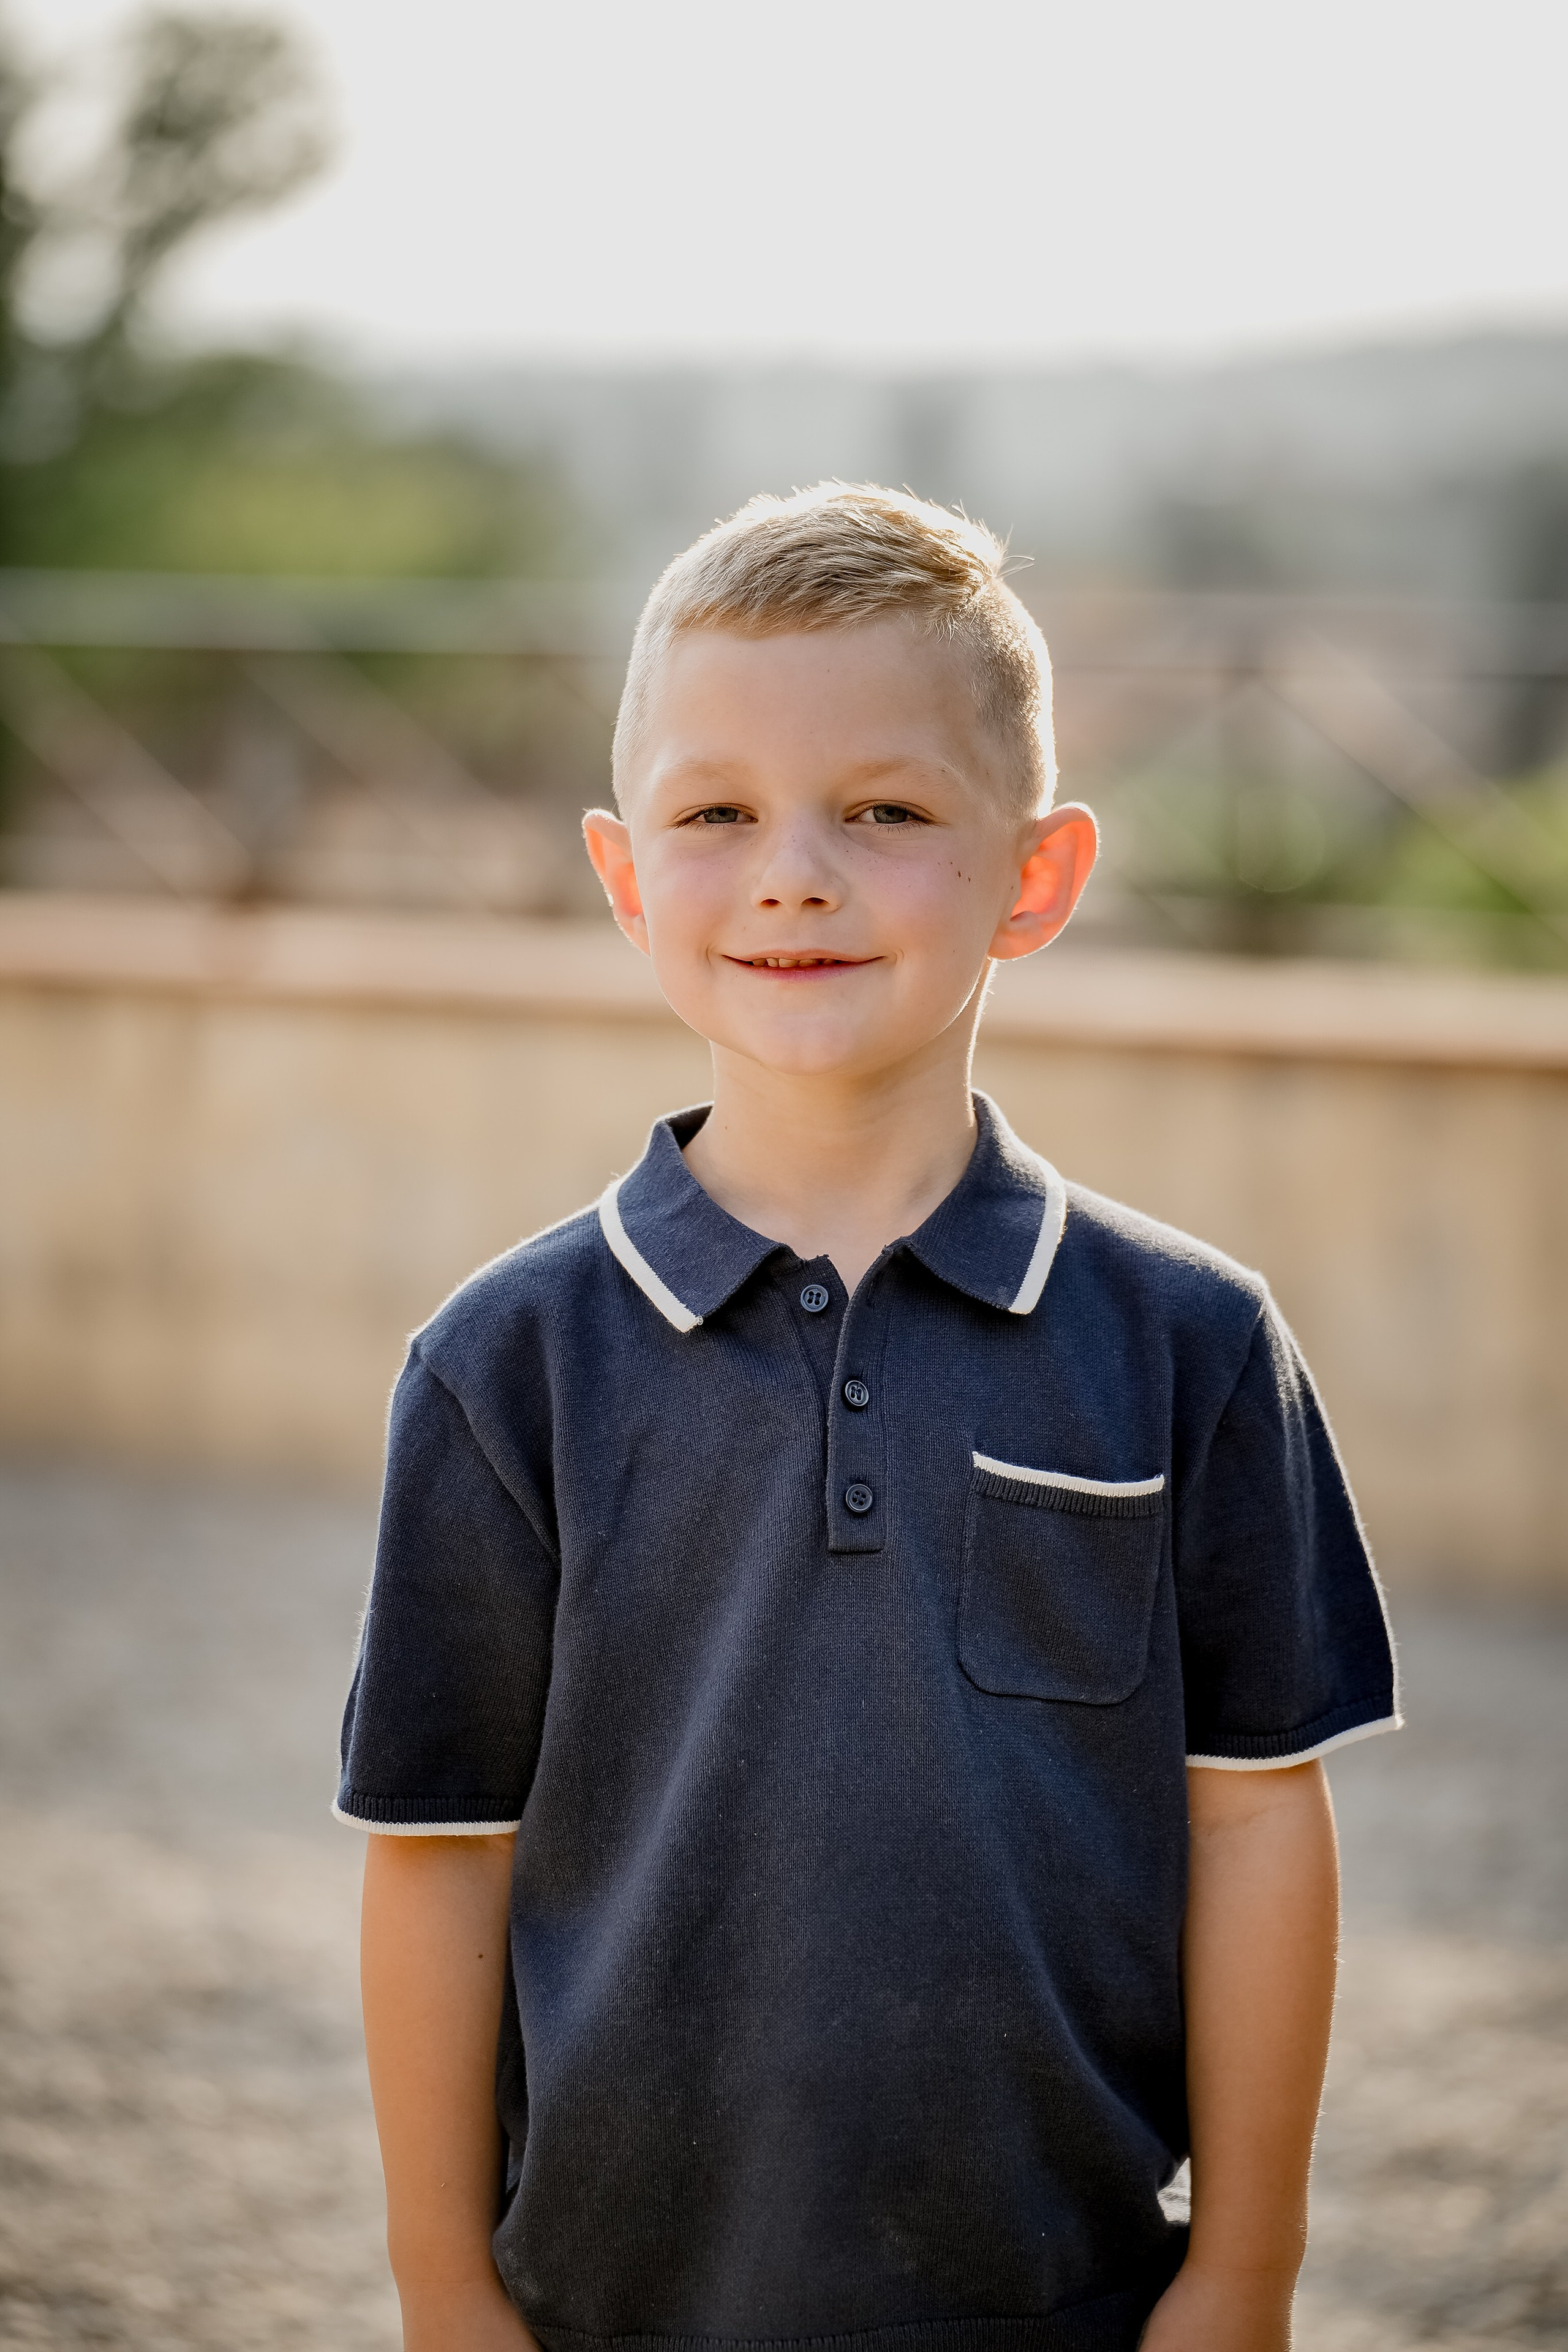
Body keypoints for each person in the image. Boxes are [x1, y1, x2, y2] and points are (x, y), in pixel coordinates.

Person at [338, 484, 1399, 2352]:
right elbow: (439, 1852)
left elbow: (1252, 1826)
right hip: (610, 2308)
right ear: (623, 871)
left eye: (888, 812)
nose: (793, 873)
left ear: (1038, 877)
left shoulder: (1194, 1343)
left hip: (1067, 2298)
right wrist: (443, 2292)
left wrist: (1244, 2273)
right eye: (716, 811)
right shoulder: (502, 1365)